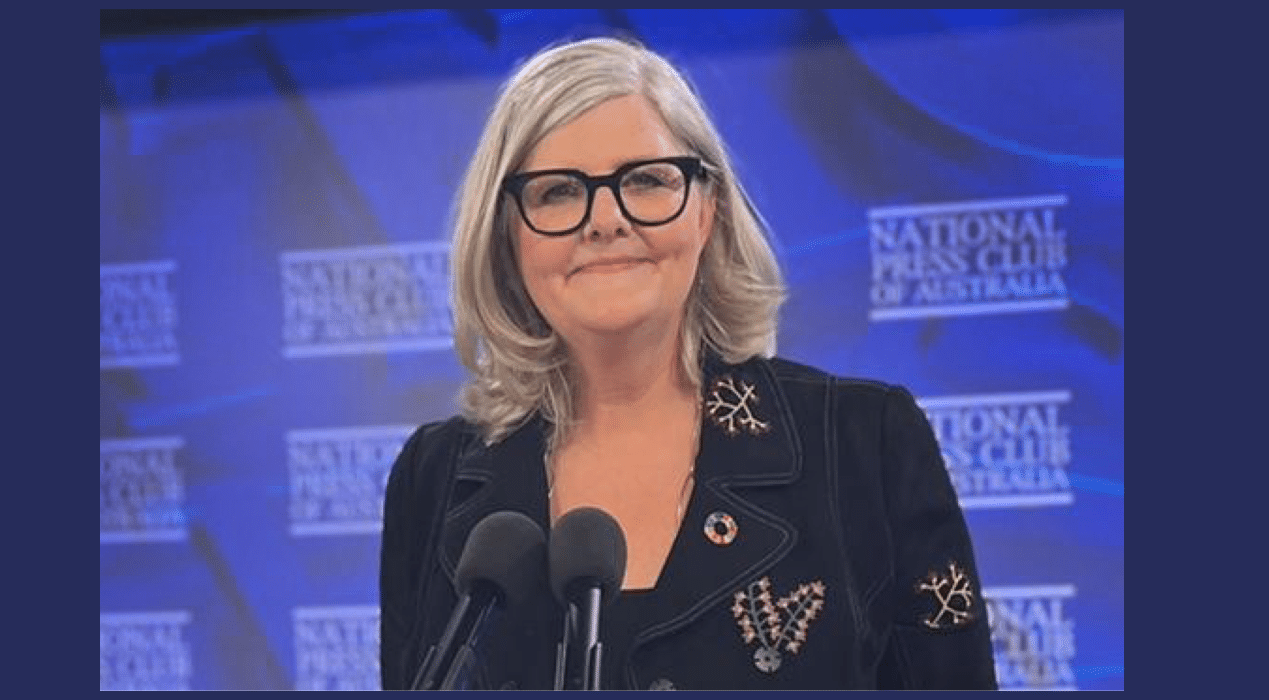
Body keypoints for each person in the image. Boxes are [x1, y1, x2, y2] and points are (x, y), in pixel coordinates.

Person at [379, 35, 998, 690]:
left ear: (708, 212)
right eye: (558, 191)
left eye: (646, 181)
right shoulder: (435, 478)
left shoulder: (866, 444)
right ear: (507, 235)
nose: (606, 219)